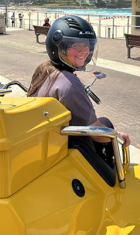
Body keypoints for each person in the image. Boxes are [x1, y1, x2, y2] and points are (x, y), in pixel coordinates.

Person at [27, 15, 130, 161]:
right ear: (58, 47)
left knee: (104, 122)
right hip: (65, 144)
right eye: (75, 45)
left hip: (48, 138)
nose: (84, 51)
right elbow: (96, 133)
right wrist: (119, 136)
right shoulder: (70, 85)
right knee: (106, 127)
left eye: (87, 44)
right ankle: (109, 178)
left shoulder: (44, 69)